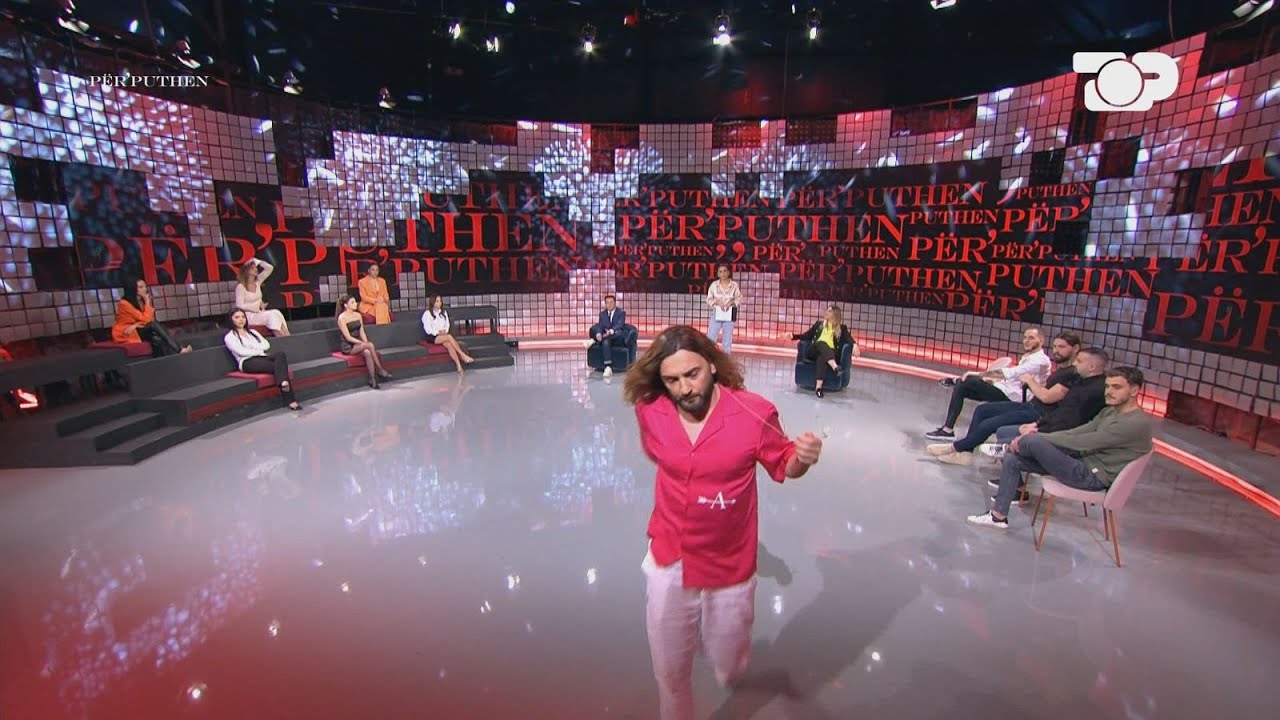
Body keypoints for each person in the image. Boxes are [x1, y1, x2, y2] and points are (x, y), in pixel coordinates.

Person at [623, 325, 823, 720]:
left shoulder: (755, 412)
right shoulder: (650, 410)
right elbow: (657, 452)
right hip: (669, 558)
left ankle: (723, 650)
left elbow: (784, 463)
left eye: (692, 374)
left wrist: (802, 457)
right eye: (672, 380)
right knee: (670, 674)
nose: (684, 389)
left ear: (712, 365)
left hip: (729, 566)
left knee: (729, 668)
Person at [967, 366, 1153, 530]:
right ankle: (998, 517)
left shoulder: (1135, 423)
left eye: (1116, 387)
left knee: (1034, 442)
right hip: (1080, 461)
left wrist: (1035, 437)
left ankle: (1009, 447)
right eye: (1107, 386)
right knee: (1014, 459)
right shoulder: (1109, 411)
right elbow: (1079, 432)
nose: (1109, 392)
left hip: (1092, 476)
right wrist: (1036, 435)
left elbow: (1084, 442)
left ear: (1134, 390)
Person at [927, 331, 1084, 463]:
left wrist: (1029, 381)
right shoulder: (1059, 369)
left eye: (1062, 347)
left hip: (1037, 412)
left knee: (988, 421)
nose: (1056, 350)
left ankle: (955, 447)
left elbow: (1046, 397)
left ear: (1075, 349)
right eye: (1055, 346)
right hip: (1028, 404)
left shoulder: (1066, 371)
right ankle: (965, 452)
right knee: (982, 410)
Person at [978, 347, 1111, 461]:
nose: (1075, 364)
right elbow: (1061, 411)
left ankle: (1009, 452)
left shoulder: (1093, 391)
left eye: (1079, 361)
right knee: (1002, 431)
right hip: (1048, 421)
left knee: (1006, 441)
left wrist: (1039, 430)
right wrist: (1037, 424)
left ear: (1092, 367)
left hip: (1061, 434)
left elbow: (1068, 419)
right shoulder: (1078, 380)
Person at [924, 327, 1051, 441]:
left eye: (1031, 338)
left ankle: (956, 380)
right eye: (1025, 337)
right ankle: (948, 430)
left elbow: (1011, 373)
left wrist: (979, 374)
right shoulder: (1028, 357)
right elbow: (1013, 379)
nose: (1026, 341)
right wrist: (992, 380)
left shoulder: (1040, 361)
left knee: (969, 380)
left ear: (1041, 341)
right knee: (962, 386)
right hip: (1003, 390)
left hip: (1013, 399)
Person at [223, 308, 301, 411]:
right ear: (231, 319)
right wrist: (257, 349)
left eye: (243, 317)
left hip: (262, 357)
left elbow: (266, 344)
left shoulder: (253, 332)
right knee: (280, 368)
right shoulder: (230, 337)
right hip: (247, 362)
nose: (241, 320)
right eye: (237, 317)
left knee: (280, 355)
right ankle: (291, 400)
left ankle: (283, 382)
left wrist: (254, 349)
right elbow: (241, 352)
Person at [789, 304, 859, 398]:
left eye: (829, 311)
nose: (826, 312)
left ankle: (818, 388)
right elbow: (807, 335)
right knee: (821, 343)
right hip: (813, 350)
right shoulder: (819, 325)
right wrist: (793, 336)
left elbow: (848, 338)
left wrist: (854, 344)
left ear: (835, 314)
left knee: (822, 357)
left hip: (829, 353)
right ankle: (834, 367)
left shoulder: (841, 328)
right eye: (827, 310)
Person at [111, 278, 191, 356]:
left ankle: (173, 356)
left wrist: (135, 325)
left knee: (156, 339)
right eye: (141, 287)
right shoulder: (124, 303)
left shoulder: (141, 301)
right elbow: (146, 319)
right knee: (154, 324)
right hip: (126, 332)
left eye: (145, 287)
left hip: (136, 328)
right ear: (133, 289)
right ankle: (179, 349)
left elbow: (147, 319)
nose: (145, 289)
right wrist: (147, 303)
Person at [338, 294, 392, 388]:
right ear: (346, 305)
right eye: (352, 302)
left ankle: (372, 379)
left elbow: (362, 332)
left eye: (355, 302)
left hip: (357, 344)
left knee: (367, 352)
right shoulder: (341, 318)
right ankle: (380, 369)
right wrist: (364, 344)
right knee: (370, 345)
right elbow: (348, 338)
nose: (356, 304)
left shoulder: (358, 315)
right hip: (348, 346)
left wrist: (365, 343)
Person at [421, 295, 475, 374]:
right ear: (433, 302)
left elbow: (447, 325)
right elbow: (428, 329)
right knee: (449, 337)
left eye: (440, 301)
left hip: (443, 335)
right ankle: (462, 355)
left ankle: (459, 366)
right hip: (432, 336)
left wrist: (444, 331)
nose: (439, 303)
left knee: (449, 344)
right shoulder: (427, 314)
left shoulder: (443, 312)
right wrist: (437, 332)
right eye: (437, 301)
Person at [235, 258, 290, 336]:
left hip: (258, 313)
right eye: (253, 268)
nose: (256, 269)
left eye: (256, 267)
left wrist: (258, 261)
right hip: (248, 316)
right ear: (247, 271)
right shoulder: (241, 287)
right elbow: (239, 306)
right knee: (271, 316)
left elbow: (269, 268)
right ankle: (282, 338)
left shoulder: (257, 282)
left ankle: (287, 337)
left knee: (277, 312)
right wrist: (256, 306)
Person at [705, 265, 742, 354]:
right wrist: (717, 302)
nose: (723, 273)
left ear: (728, 272)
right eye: (720, 271)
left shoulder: (734, 285)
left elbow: (739, 298)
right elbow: (709, 299)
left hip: (729, 314)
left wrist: (732, 303)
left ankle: (726, 358)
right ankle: (709, 356)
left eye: (725, 271)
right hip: (717, 313)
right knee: (711, 337)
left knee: (727, 339)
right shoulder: (714, 285)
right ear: (718, 274)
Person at [589, 294, 628, 377]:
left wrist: (610, 331)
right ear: (605, 304)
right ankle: (608, 367)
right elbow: (600, 326)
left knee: (607, 337)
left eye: (611, 302)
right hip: (606, 338)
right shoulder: (602, 314)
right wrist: (599, 333)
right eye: (607, 303)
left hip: (617, 337)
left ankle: (594, 340)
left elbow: (620, 325)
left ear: (615, 303)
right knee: (604, 339)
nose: (609, 304)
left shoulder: (621, 312)